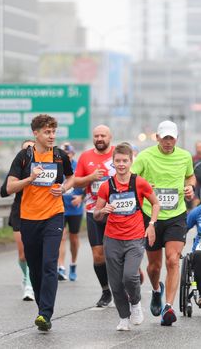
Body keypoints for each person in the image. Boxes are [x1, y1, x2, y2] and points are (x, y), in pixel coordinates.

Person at [5, 114, 75, 331]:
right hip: (28, 218)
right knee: (34, 267)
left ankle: (46, 313)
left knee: (49, 264)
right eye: (47, 132)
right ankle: (41, 307)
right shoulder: (24, 156)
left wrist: (63, 188)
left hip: (54, 216)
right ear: (36, 133)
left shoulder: (60, 156)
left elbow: (72, 178)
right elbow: (9, 187)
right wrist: (30, 179)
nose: (52, 136)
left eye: (54, 132)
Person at [131, 120, 196, 326]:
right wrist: (143, 185)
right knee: (154, 266)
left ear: (176, 138)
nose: (168, 142)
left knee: (172, 259)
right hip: (151, 216)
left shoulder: (185, 156)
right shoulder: (145, 156)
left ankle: (168, 306)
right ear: (157, 138)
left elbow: (191, 177)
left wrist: (189, 188)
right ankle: (156, 291)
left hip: (176, 215)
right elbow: (130, 178)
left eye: (171, 138)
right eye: (164, 138)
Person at [94, 143, 159, 331]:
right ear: (113, 163)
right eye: (118, 161)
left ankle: (136, 304)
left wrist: (152, 224)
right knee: (115, 283)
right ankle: (124, 317)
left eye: (125, 161)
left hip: (135, 237)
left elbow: (155, 204)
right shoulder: (107, 186)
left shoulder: (139, 182)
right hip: (112, 238)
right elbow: (96, 213)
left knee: (130, 276)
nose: (121, 164)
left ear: (131, 161)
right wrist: (103, 211)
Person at [73, 125, 116, 307]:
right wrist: (90, 177)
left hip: (117, 212)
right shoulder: (85, 157)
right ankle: (106, 291)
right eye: (96, 135)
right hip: (94, 212)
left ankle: (128, 282)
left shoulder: (118, 154)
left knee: (116, 254)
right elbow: (76, 181)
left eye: (103, 136)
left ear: (110, 137)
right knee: (98, 255)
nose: (99, 138)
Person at [0, 140, 35, 301]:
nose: (28, 151)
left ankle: (30, 284)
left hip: (37, 211)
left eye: (31, 148)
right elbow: (3, 191)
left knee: (32, 251)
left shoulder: (44, 167)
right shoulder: (18, 168)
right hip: (19, 210)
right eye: (25, 149)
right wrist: (24, 180)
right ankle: (26, 277)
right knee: (22, 255)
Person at [58, 143, 84, 281]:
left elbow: (88, 183)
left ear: (73, 154)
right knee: (61, 237)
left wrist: (81, 197)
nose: (67, 157)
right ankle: (61, 267)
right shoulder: (56, 166)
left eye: (69, 154)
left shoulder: (79, 166)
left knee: (73, 238)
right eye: (64, 154)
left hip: (75, 209)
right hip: (60, 208)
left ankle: (73, 264)